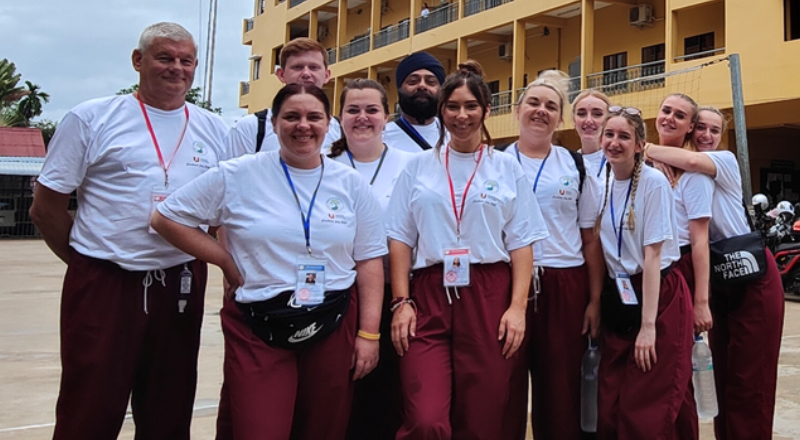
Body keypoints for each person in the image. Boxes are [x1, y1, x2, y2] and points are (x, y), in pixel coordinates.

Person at [151, 84, 388, 440]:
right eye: (291, 117)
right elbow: (166, 218)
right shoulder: (238, 174)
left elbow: (369, 260)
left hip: (332, 319)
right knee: (260, 428)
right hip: (258, 321)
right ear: (275, 123)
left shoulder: (351, 185)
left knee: (323, 428)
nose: (303, 126)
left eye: (314, 117)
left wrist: (368, 334)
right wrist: (224, 259)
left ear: (329, 125)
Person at [28, 22, 230, 440]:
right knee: (90, 405)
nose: (177, 68)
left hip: (180, 280)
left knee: (169, 407)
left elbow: (221, 214)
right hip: (105, 281)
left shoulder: (214, 129)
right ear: (138, 60)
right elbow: (46, 208)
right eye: (165, 57)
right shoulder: (92, 118)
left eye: (186, 60)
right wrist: (87, 263)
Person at [386, 60, 548, 440]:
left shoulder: (505, 168)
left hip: (489, 292)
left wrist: (517, 308)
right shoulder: (417, 167)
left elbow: (522, 243)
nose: (462, 116)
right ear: (441, 110)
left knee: (481, 417)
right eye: (453, 106)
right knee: (426, 418)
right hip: (429, 292)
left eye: (471, 106)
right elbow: (400, 238)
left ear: (486, 110)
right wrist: (401, 301)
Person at [645, 106, 785, 440]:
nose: (707, 135)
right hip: (718, 277)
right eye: (701, 128)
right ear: (691, 131)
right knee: (720, 375)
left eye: (715, 130)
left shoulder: (722, 160)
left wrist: (645, 147)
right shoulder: (669, 170)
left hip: (752, 275)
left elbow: (692, 161)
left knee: (751, 380)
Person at [504, 70, 604, 440]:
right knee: (504, 383)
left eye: (550, 106)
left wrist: (594, 299)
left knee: (561, 390)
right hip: (508, 283)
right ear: (517, 110)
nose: (540, 111)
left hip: (563, 282)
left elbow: (590, 239)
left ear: (560, 118)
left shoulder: (574, 166)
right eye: (533, 102)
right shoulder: (495, 162)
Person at [594, 106, 693, 440]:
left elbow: (653, 256)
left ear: (639, 145)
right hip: (620, 295)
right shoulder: (600, 181)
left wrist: (648, 327)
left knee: (648, 404)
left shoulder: (653, 184)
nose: (614, 142)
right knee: (609, 399)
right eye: (609, 134)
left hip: (657, 294)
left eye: (624, 136)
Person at [327, 78, 412, 440]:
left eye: (372, 110)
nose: (362, 117)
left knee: (387, 396)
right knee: (339, 394)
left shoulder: (412, 165)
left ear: (387, 117)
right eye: (353, 110)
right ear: (340, 118)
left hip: (396, 293)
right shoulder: (322, 163)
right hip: (338, 295)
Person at [651, 93, 713, 440]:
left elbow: (700, 240)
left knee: (679, 368)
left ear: (690, 127)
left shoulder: (694, 174)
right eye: (666, 111)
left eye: (679, 115)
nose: (669, 119)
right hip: (644, 270)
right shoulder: (640, 164)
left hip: (681, 269)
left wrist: (701, 301)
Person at [225, 37, 341, 156]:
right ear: (281, 74)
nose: (306, 73)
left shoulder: (341, 131)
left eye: (313, 67)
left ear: (327, 75)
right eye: (297, 67)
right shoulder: (249, 128)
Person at [383, 51, 447, 153]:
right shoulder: (382, 138)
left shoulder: (454, 135)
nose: (422, 86)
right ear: (399, 89)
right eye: (413, 81)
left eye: (431, 82)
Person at [572, 89, 611, 179]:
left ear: (609, 120)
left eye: (597, 114)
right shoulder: (567, 164)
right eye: (581, 114)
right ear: (574, 120)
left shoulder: (621, 162)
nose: (588, 120)